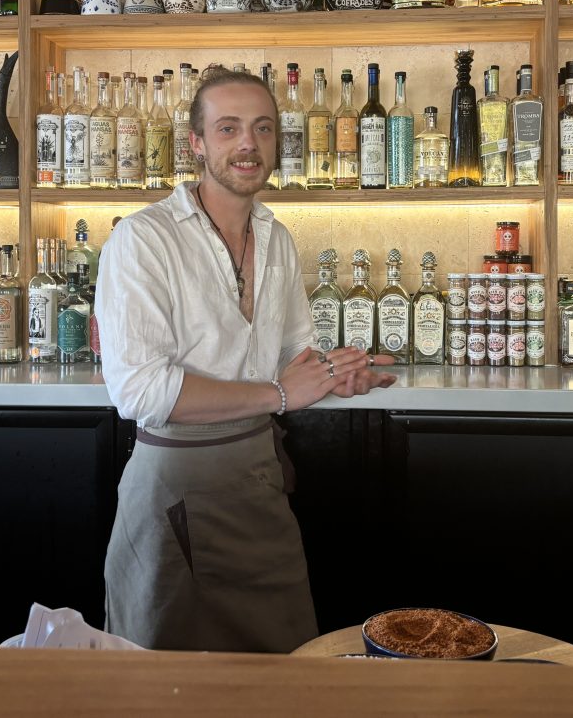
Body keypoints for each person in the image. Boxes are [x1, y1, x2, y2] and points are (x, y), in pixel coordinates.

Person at [96, 69, 396, 653]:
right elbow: (141, 391)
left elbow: (289, 352)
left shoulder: (276, 237)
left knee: (284, 669)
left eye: (262, 128)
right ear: (197, 144)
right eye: (228, 128)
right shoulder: (143, 239)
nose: (248, 144)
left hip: (260, 483)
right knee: (172, 685)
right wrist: (280, 395)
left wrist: (334, 374)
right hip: (176, 494)